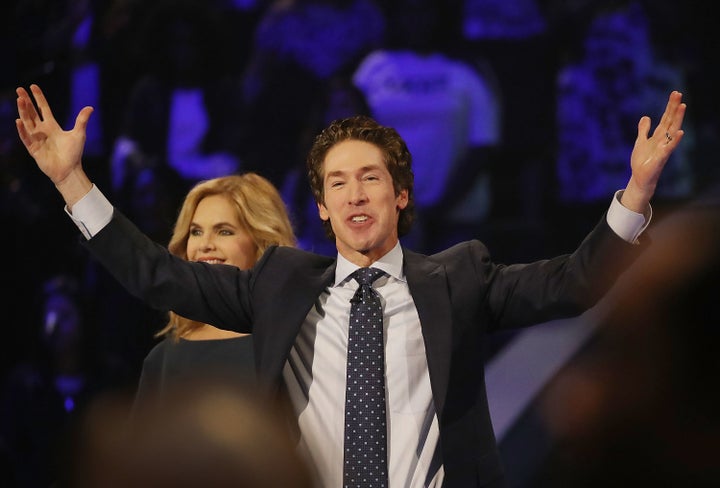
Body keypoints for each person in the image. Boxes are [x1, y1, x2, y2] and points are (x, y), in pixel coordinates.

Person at [16, 83, 685, 487]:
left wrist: (637, 192)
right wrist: (71, 182)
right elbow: (154, 272)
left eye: (370, 178)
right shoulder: (279, 282)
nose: (355, 192)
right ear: (322, 208)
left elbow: (573, 283)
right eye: (338, 182)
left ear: (399, 197)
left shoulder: (456, 277)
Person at [133, 173, 297, 411]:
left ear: (262, 244)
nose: (205, 245)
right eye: (196, 232)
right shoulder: (163, 359)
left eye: (224, 231)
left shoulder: (293, 347)